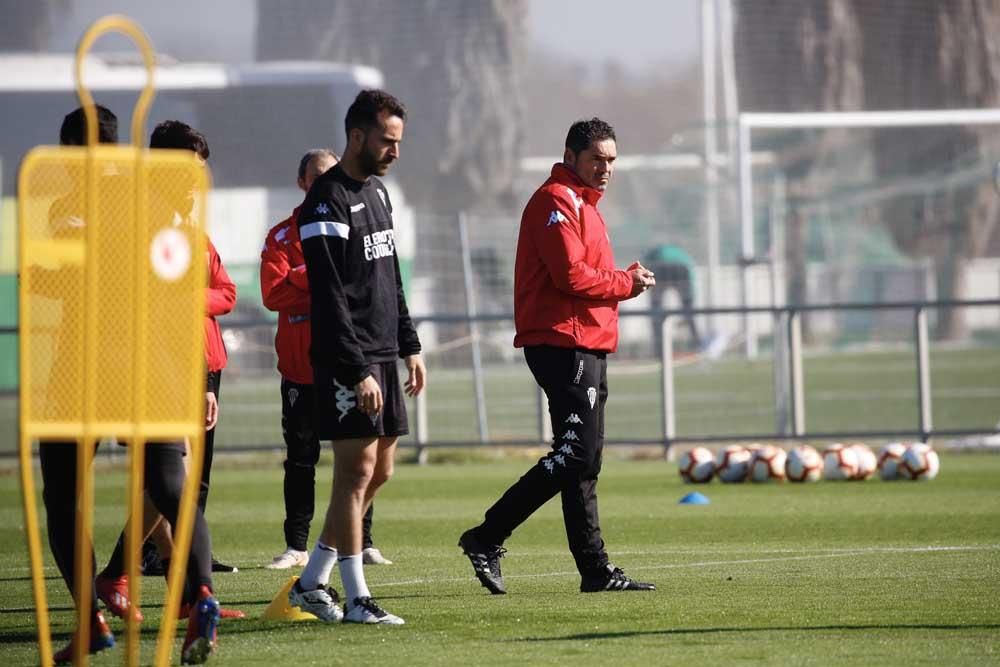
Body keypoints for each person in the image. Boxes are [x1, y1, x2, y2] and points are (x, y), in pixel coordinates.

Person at [37, 106, 221, 664]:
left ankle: (90, 620)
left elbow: (68, 272)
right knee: (170, 487)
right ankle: (203, 595)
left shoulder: (70, 207)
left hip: (86, 367)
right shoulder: (157, 206)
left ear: (72, 148)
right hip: (154, 363)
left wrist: (47, 275)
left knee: (64, 495)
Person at [458, 117, 657, 595]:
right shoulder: (555, 201)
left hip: (587, 342)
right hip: (562, 344)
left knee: (583, 461)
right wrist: (625, 283)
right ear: (571, 157)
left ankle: (594, 570)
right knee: (575, 455)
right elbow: (571, 276)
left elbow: (586, 272)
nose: (606, 168)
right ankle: (486, 537)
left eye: (611, 160)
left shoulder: (585, 204)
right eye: (596, 160)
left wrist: (617, 279)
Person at [288, 89, 425, 625]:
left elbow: (390, 277)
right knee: (355, 471)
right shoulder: (325, 201)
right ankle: (357, 597)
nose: (395, 151)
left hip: (385, 354)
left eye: (399, 142)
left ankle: (310, 581)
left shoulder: (379, 194)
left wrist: (409, 345)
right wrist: (358, 368)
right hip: (350, 359)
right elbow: (329, 295)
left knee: (380, 470)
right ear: (357, 136)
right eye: (387, 141)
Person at [261, 149, 392, 570]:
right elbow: (272, 293)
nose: (324, 182)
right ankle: (297, 545)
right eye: (316, 176)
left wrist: (309, 279)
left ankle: (363, 540)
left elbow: (360, 281)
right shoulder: (282, 236)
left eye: (329, 174)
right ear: (302, 182)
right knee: (301, 457)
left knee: (358, 457)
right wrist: (317, 275)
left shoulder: (348, 222)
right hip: (300, 366)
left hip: (344, 362)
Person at [643, 243, 702, 354]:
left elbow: (645, 270)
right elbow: (691, 274)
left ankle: (658, 348)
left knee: (655, 310)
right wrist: (689, 300)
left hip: (660, 267)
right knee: (689, 311)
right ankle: (697, 344)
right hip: (680, 268)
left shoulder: (653, 253)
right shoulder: (681, 255)